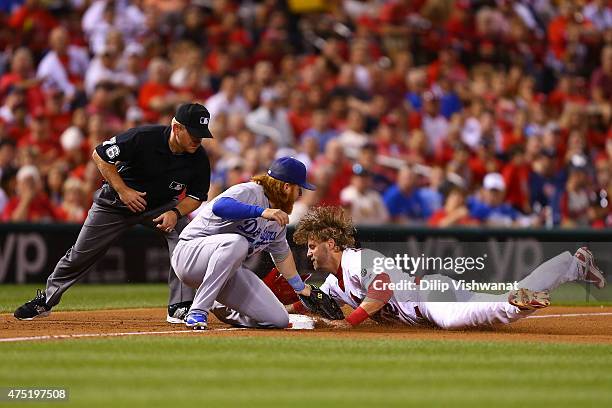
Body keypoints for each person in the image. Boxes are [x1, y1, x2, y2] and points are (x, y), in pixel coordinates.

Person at [14, 103, 213, 322]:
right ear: (177, 128)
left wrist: (175, 212)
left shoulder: (199, 157)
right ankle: (46, 300)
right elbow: (99, 155)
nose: (198, 139)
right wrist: (123, 190)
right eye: (194, 133)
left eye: (201, 134)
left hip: (161, 206)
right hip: (115, 203)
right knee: (81, 253)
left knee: (185, 238)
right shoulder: (144, 137)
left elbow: (196, 197)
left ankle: (180, 305)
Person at [290, 206, 606, 330]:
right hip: (435, 290)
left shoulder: (360, 259)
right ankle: (572, 264)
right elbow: (308, 299)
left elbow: (382, 290)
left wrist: (353, 321)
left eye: (312, 245)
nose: (308, 252)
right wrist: (282, 311)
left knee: (464, 319)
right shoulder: (333, 282)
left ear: (331, 243)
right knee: (483, 313)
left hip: (428, 297)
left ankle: (517, 302)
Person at [171, 156, 315, 330]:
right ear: (286, 187)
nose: (299, 195)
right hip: (190, 255)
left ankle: (223, 307)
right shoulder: (251, 191)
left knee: (278, 319)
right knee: (238, 243)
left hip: (226, 271)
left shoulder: (278, 218)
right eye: (299, 190)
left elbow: (282, 256)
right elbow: (220, 206)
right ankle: (198, 311)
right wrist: (262, 212)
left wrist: (301, 289)